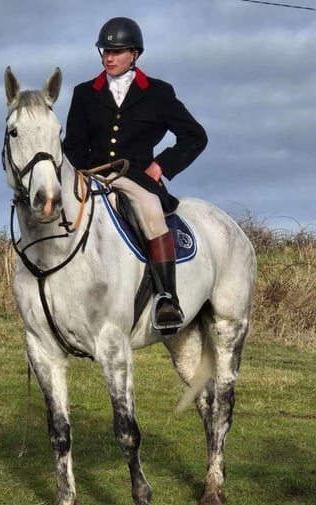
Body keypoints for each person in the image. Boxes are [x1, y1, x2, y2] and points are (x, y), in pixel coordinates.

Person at [63, 16, 208, 332]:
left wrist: (162, 167)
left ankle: (167, 298)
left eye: (117, 52)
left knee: (151, 212)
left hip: (136, 180)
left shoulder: (157, 92)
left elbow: (195, 136)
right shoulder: (84, 93)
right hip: (90, 177)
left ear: (135, 54)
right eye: (105, 51)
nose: (109, 58)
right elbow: (72, 146)